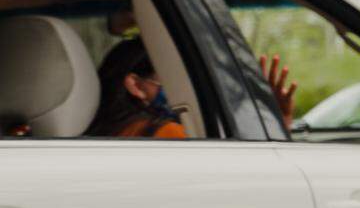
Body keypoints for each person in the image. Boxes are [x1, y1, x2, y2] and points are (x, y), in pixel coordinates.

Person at [87, 37, 299, 137]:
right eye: (174, 76)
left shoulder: (106, 133)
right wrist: (277, 122)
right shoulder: (167, 133)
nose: (185, 86)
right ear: (136, 85)